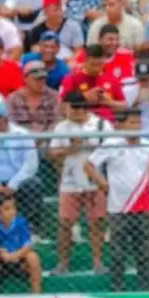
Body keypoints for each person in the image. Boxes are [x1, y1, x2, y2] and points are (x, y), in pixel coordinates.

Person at [85, 108, 149, 291]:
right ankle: (117, 288)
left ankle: (146, 289)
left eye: (138, 123)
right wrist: (103, 184)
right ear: (121, 124)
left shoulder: (147, 146)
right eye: (132, 122)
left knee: (144, 252)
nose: (136, 126)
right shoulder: (112, 144)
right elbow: (89, 165)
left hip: (143, 209)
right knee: (117, 253)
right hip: (118, 209)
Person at [48, 89, 111, 274]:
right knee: (65, 224)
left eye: (74, 108)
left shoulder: (101, 125)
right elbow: (52, 153)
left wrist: (90, 145)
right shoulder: (61, 128)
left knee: (96, 222)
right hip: (69, 182)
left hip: (95, 180)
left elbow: (114, 148)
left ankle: (98, 263)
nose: (70, 112)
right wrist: (70, 148)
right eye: (68, 109)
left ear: (82, 108)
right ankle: (63, 263)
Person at [0, 96, 40, 243]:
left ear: (5, 120)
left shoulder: (22, 134)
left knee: (34, 184)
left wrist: (13, 184)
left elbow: (31, 164)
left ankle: (31, 230)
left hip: (19, 179)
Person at [0, 193, 42, 294]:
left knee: (33, 257)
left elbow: (28, 246)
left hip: (19, 259)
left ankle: (36, 293)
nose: (12, 212)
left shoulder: (20, 223)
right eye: (7, 209)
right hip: (0, 260)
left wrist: (15, 255)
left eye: (13, 208)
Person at [59, 43, 127, 121]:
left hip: (107, 125)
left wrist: (110, 102)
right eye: (93, 65)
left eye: (100, 64)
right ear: (85, 60)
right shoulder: (72, 78)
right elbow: (61, 106)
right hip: (81, 123)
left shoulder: (112, 79)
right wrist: (84, 97)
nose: (96, 69)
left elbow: (124, 105)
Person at [6, 60, 62, 132]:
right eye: (37, 79)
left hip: (47, 139)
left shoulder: (53, 97)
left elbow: (56, 122)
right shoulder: (13, 99)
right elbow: (10, 123)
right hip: (20, 139)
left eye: (43, 78)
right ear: (25, 78)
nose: (41, 82)